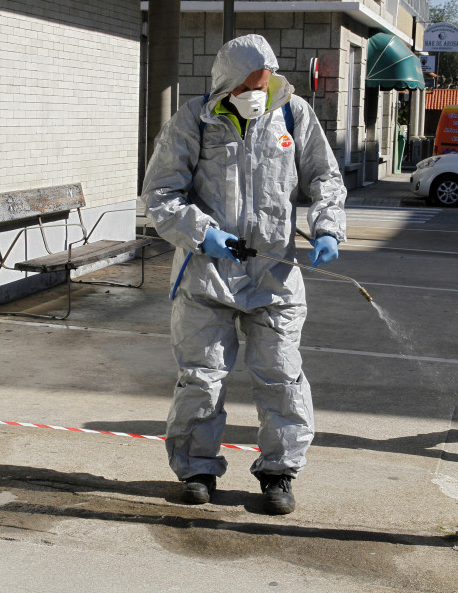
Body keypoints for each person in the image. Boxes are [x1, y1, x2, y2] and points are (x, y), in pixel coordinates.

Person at [141, 34, 346, 514]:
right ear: (229, 83)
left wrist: (328, 228)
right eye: (253, 81)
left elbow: (324, 176)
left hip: (274, 275)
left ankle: (279, 473)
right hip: (206, 277)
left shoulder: (293, 116)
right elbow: (161, 194)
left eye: (267, 79)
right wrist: (203, 233)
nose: (262, 88)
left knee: (282, 377)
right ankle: (196, 468)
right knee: (201, 378)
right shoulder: (193, 120)